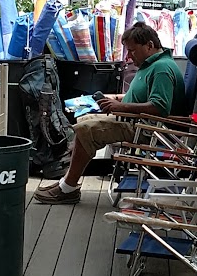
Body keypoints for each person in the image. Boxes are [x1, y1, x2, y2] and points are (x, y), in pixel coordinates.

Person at [32, 22, 187, 204]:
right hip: (137, 121)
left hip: (149, 130)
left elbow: (159, 107)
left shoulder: (161, 69)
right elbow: (143, 96)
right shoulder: (153, 64)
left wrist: (120, 107)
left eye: (132, 51)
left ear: (149, 45)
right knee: (84, 119)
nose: (129, 56)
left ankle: (67, 188)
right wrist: (116, 98)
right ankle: (66, 182)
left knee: (86, 130)